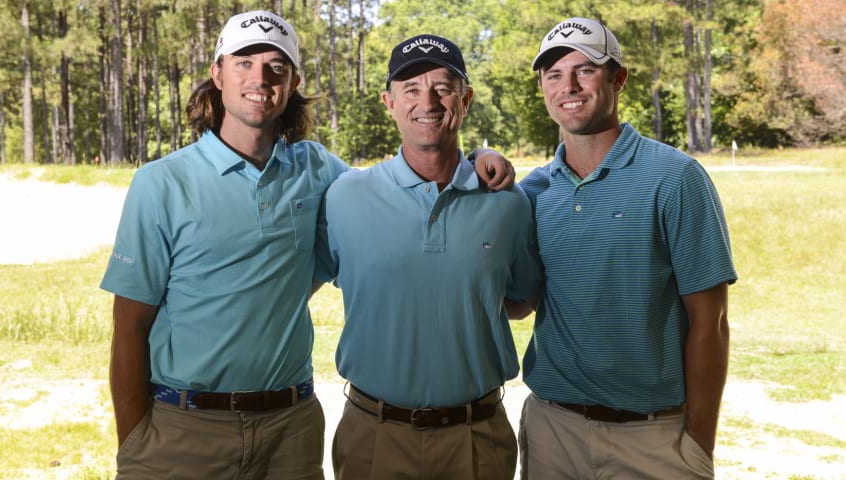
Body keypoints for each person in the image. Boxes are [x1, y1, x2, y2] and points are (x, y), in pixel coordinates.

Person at [100, 10, 513, 480]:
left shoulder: (318, 170)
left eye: (276, 66)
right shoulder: (161, 183)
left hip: (290, 428)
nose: (260, 77)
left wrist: (477, 157)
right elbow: (128, 327)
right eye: (244, 62)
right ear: (217, 74)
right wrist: (132, 442)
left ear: (293, 81)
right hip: (184, 428)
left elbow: (400, 186)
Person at [517, 17, 738, 479]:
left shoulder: (675, 178)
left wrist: (698, 444)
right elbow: (519, 303)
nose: (568, 86)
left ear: (618, 78)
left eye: (585, 70)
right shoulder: (535, 191)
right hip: (553, 433)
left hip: (654, 441)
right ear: (542, 88)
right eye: (553, 75)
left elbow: (710, 321)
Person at [315, 34, 543, 480]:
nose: (429, 101)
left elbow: (520, 299)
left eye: (443, 87)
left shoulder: (509, 204)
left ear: (466, 98)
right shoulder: (345, 196)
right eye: (411, 89)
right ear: (389, 102)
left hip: (477, 437)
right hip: (374, 434)